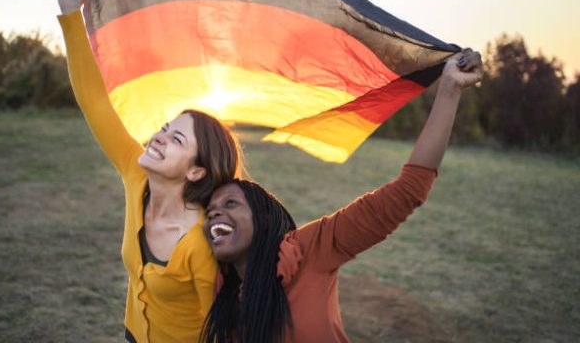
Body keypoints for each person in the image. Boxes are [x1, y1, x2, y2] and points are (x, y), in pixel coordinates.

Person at [202, 49, 483, 342]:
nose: (214, 214)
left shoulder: (311, 249)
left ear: (262, 218)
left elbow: (409, 188)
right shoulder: (222, 289)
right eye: (210, 211)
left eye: (230, 203)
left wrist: (449, 89)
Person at [58, 0, 243, 343]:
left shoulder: (202, 242)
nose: (159, 135)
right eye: (164, 127)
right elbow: (95, 103)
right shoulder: (135, 175)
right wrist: (70, 16)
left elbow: (220, 331)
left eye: (176, 138)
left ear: (196, 171)